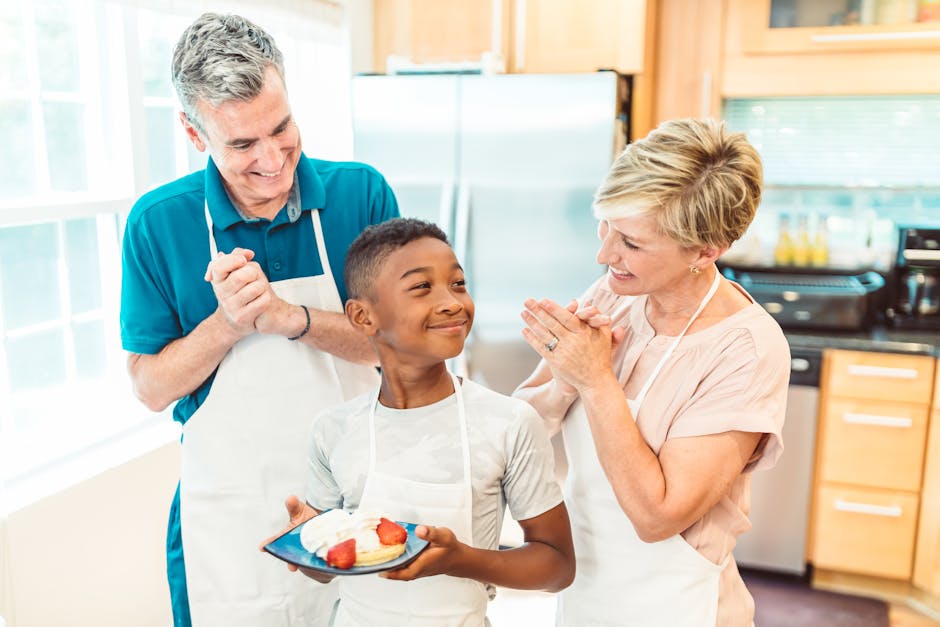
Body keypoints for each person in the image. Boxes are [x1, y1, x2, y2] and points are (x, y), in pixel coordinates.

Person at [120, 13, 399, 627]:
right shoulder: (158, 224)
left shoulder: (362, 195)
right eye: (243, 144)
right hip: (232, 516)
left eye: (282, 128)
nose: (274, 161)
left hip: (364, 494)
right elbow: (149, 389)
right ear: (195, 135)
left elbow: (401, 349)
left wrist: (290, 317)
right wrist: (228, 323)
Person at [513, 118, 790, 626]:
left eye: (632, 243)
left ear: (706, 251)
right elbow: (520, 425)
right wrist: (563, 383)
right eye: (606, 227)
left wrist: (596, 381)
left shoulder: (746, 350)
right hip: (585, 589)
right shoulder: (613, 295)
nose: (604, 255)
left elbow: (658, 515)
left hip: (677, 609)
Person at [268, 217, 575, 625]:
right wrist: (305, 542)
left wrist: (461, 559)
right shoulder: (335, 429)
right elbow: (324, 568)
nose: (452, 302)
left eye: (458, 284)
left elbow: (557, 567)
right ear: (362, 317)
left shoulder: (510, 423)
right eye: (421, 287)